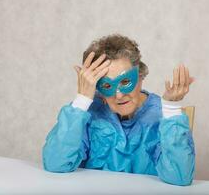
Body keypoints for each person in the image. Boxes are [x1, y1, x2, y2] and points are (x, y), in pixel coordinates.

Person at [42, 34, 195, 186]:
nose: (119, 95)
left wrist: (171, 109)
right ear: (97, 88)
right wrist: (82, 100)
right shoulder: (87, 113)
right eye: (107, 86)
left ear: (140, 76)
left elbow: (179, 177)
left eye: (126, 81)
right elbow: (56, 164)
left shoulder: (161, 115)